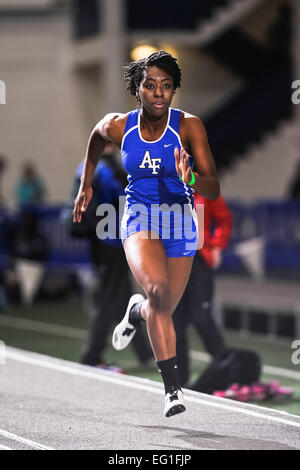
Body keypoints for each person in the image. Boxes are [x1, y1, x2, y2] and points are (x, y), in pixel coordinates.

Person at [73, 50, 220, 417]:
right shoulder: (120, 126)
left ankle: (135, 312)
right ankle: (172, 390)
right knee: (157, 290)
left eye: (166, 87)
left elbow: (213, 187)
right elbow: (95, 137)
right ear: (137, 88)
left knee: (161, 308)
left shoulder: (189, 127)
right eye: (151, 85)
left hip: (180, 222)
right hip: (139, 217)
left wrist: (188, 177)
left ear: (173, 91)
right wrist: (85, 185)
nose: (158, 93)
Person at [72, 144, 153, 369]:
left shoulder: (86, 167)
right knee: (109, 298)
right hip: (113, 239)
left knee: (122, 300)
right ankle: (91, 355)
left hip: (99, 240)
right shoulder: (108, 170)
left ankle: (145, 354)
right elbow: (125, 197)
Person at [173, 193, 232, 387]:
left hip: (199, 260)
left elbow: (223, 218)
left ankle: (227, 371)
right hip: (172, 261)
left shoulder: (203, 187)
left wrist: (217, 246)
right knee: (175, 323)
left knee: (202, 317)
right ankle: (180, 380)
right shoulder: (160, 185)